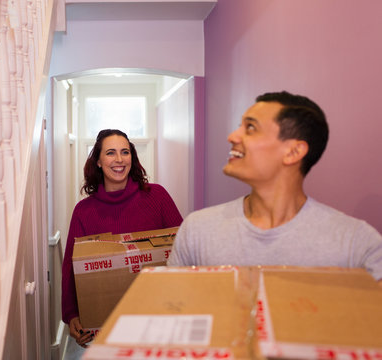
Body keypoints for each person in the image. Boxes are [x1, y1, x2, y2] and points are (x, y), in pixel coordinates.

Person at [167, 91, 382, 285]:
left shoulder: (357, 244)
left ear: (293, 152)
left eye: (250, 128)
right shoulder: (197, 230)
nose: (232, 136)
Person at [62, 129, 183, 348]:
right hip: (106, 327)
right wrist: (71, 314)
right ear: (98, 161)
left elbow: (184, 247)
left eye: (125, 152)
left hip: (158, 320)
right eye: (110, 153)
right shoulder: (84, 211)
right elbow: (71, 266)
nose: (119, 159)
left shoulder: (157, 197)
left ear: (132, 158)